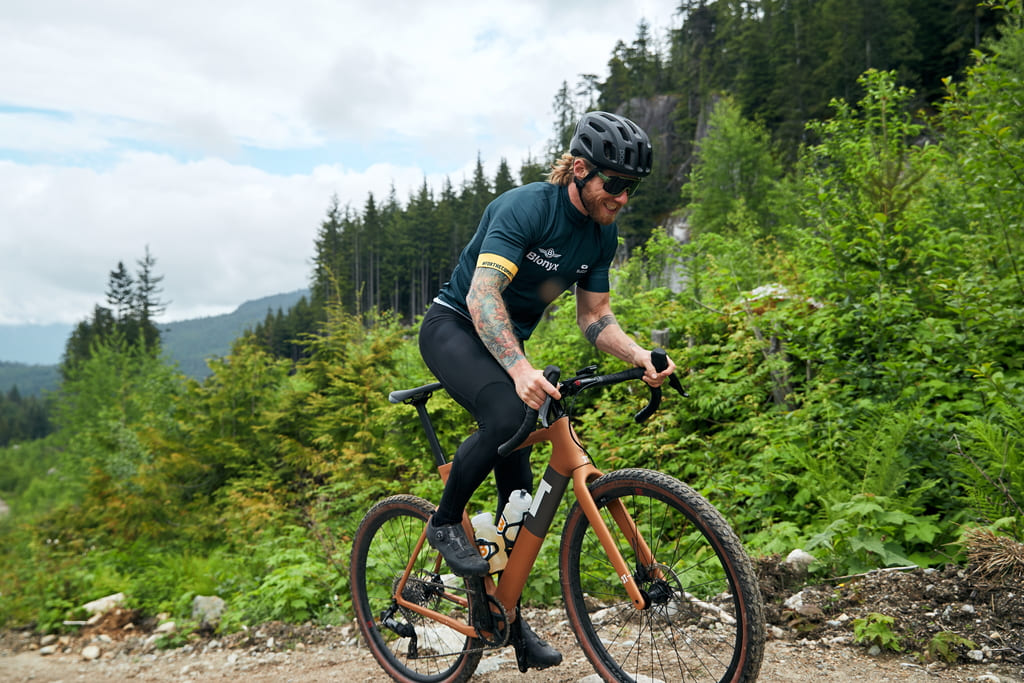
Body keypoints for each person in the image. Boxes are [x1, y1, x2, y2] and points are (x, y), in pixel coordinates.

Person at [417, 111, 677, 670]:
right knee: (512, 412)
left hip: (506, 343)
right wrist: (518, 368)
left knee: (520, 495)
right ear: (579, 169)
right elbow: (483, 299)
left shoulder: (602, 231)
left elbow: (594, 317)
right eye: (615, 185)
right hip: (453, 330)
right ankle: (444, 521)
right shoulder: (526, 207)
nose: (623, 199)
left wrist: (638, 356)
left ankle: (505, 622)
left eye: (631, 188)